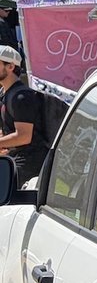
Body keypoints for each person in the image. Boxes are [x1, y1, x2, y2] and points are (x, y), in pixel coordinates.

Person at [0, 46, 44, 187]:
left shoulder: (21, 96)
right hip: (14, 160)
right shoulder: (6, 94)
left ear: (11, 66)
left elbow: (24, 136)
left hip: (27, 165)